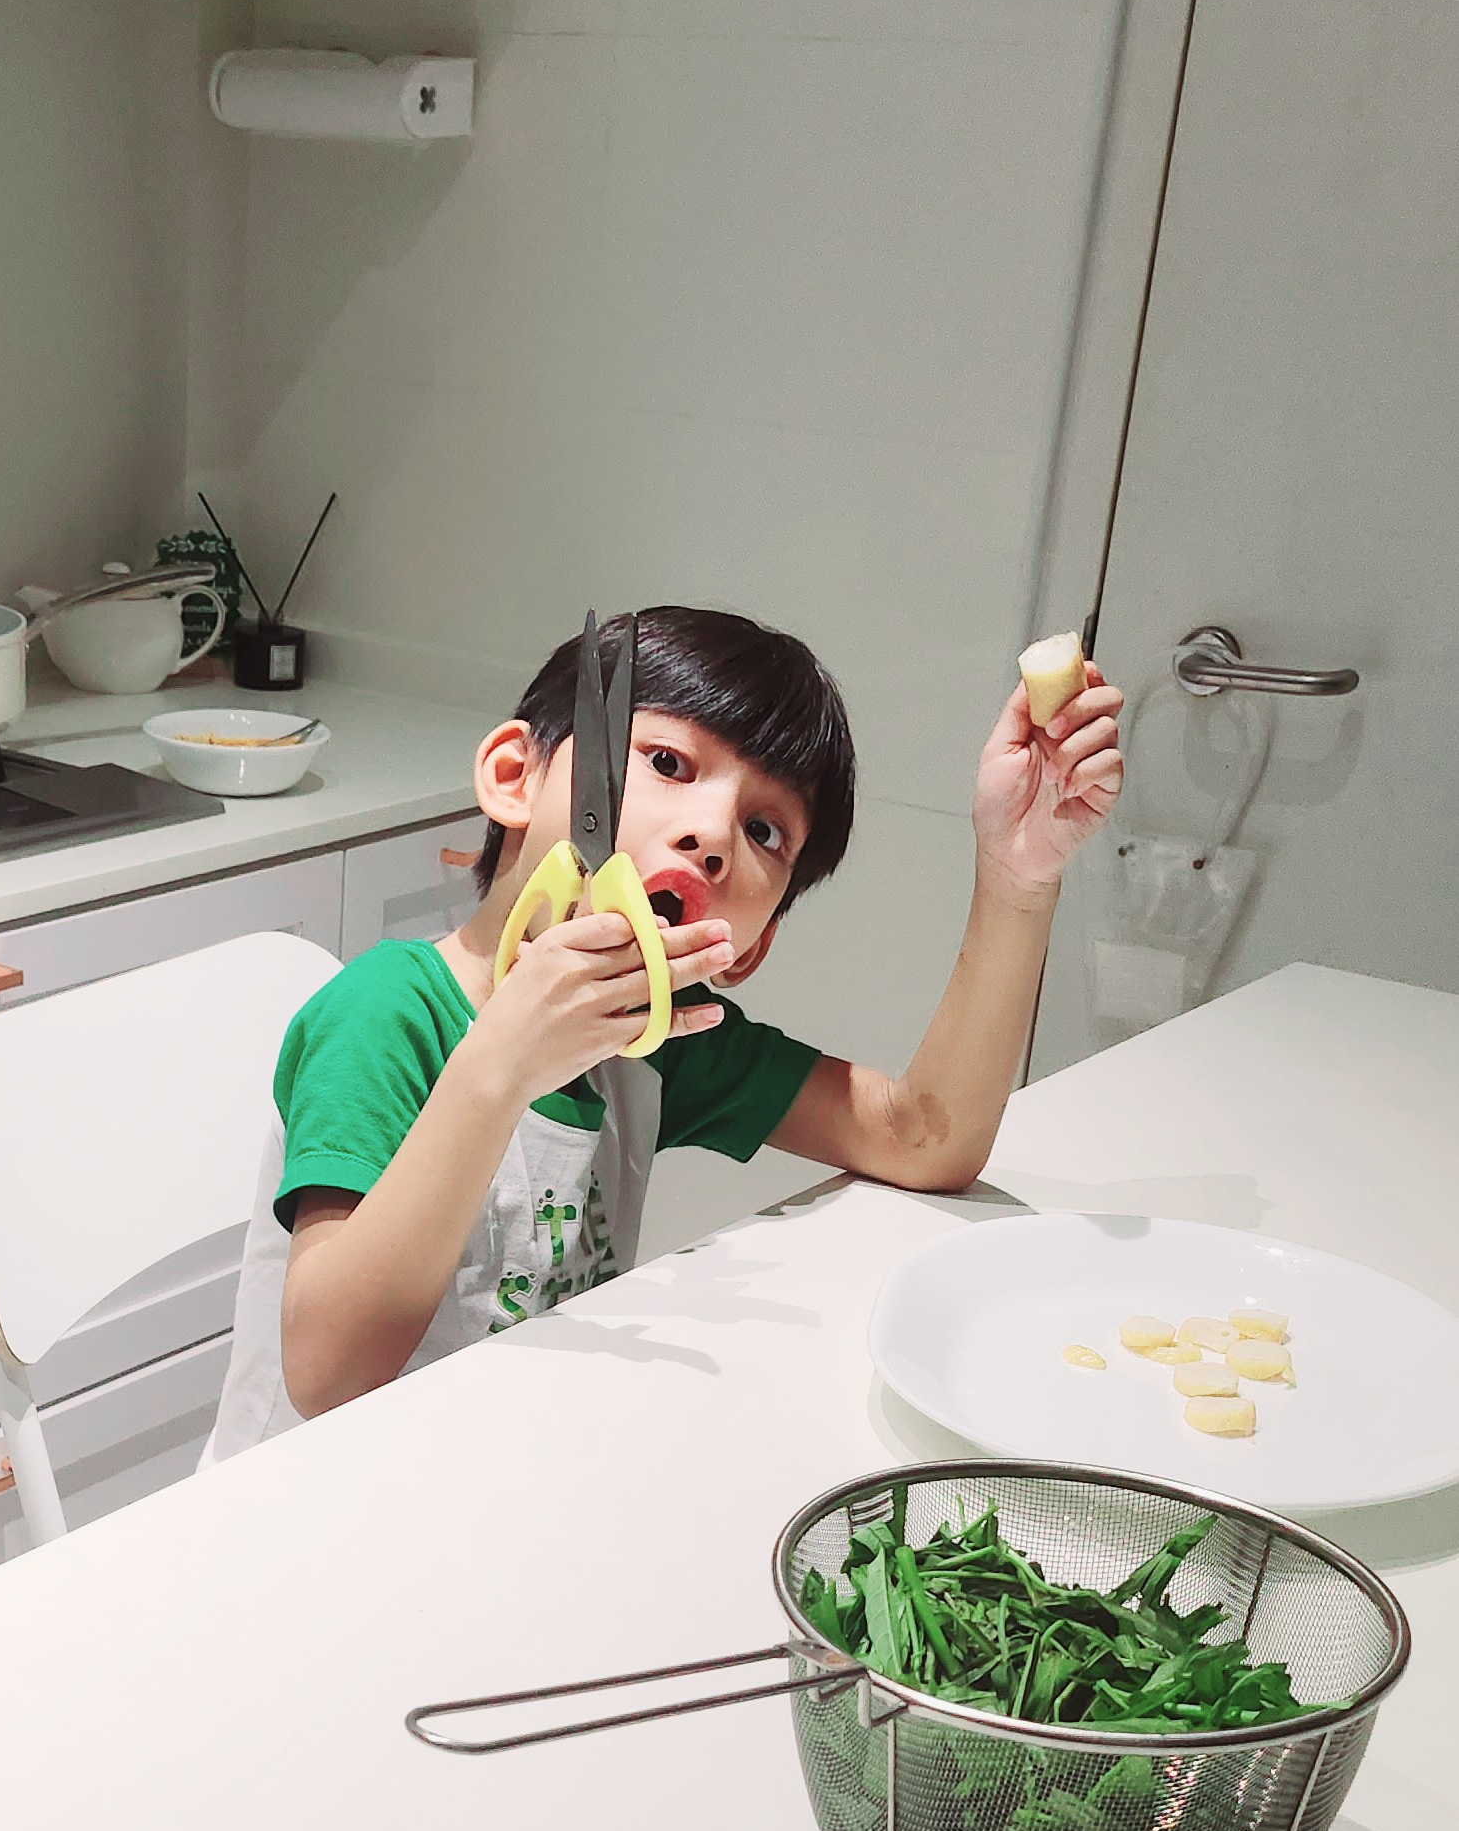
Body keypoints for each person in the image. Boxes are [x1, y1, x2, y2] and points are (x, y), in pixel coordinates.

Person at [208, 604, 1123, 1450]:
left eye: (766, 832)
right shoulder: (387, 1013)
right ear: (514, 776)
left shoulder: (656, 1044)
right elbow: (328, 1374)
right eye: (670, 765)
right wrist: (499, 1066)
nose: (713, 832)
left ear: (744, 952)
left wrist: (1018, 874)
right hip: (295, 1534)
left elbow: (925, 1139)